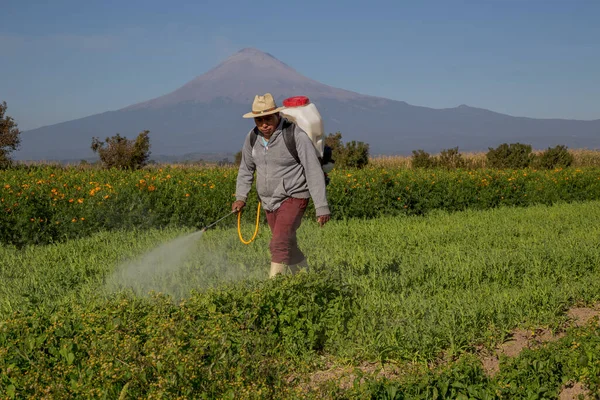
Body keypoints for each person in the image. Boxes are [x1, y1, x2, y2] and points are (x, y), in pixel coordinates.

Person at [232, 93, 331, 278]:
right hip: (269, 201)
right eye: (259, 120)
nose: (264, 124)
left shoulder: (296, 135)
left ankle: (273, 289)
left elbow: (313, 170)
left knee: (278, 243)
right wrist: (240, 197)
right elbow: (246, 168)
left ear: (278, 115)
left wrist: (321, 206)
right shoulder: (252, 138)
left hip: (294, 196)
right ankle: (307, 281)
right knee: (288, 243)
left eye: (268, 118)